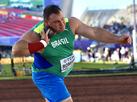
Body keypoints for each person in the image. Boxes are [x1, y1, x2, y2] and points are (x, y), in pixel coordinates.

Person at [12, 5, 132, 102]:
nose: (62, 24)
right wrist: (42, 43)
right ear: (47, 23)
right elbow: (16, 50)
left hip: (60, 75)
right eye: (56, 22)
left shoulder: (71, 24)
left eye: (62, 19)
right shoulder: (37, 33)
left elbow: (94, 32)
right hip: (46, 76)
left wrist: (118, 38)